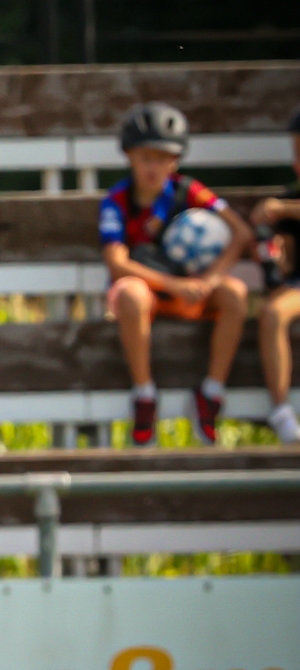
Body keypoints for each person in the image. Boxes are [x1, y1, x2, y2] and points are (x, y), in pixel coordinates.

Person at [99, 102, 253, 447]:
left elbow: (241, 232)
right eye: (146, 157)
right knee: (130, 293)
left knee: (235, 293)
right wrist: (174, 285)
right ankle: (144, 396)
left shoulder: (190, 192)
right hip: (152, 292)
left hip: (192, 291)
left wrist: (210, 280)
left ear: (176, 160)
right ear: (129, 156)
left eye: (162, 158)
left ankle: (211, 393)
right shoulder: (117, 200)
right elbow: (116, 263)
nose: (153, 166)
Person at [253, 107, 300, 445]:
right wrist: (277, 254)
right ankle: (281, 410)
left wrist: (283, 209)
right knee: (271, 312)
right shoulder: (288, 198)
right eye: (297, 152)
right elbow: (287, 263)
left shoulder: (285, 204)